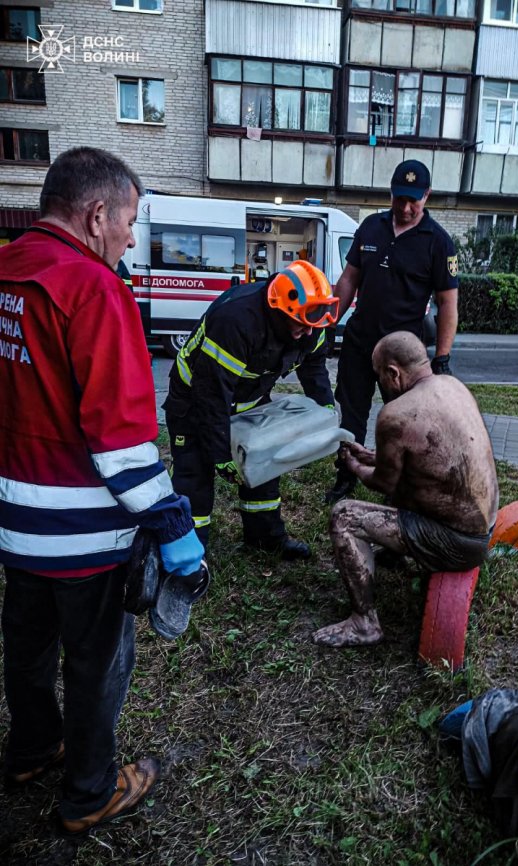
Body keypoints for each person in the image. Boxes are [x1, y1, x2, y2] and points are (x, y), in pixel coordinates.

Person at [0, 148, 204, 832]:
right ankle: (90, 792)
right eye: (129, 221)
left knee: (25, 647)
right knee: (96, 665)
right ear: (96, 214)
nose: (129, 238)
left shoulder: (5, 273)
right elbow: (121, 444)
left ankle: (31, 748)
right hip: (86, 538)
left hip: (13, 529)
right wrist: (175, 528)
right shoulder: (94, 290)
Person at [313, 332, 498, 648]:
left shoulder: (397, 414)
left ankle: (364, 623)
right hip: (484, 528)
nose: (381, 383)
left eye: (379, 375)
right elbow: (429, 460)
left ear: (392, 373)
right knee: (400, 493)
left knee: (344, 516)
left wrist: (354, 465)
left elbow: (385, 483)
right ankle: (397, 555)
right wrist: (373, 456)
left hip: (455, 543)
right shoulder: (452, 386)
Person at [163, 260, 339, 560]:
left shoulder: (313, 322)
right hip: (193, 402)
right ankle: (190, 554)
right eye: (301, 323)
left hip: (250, 399)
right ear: (278, 310)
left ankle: (265, 537)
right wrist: (221, 456)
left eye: (314, 322)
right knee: (195, 477)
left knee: (264, 467)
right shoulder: (236, 320)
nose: (308, 332)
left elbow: (315, 369)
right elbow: (212, 395)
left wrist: (326, 414)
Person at [326, 159, 459, 504]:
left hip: (403, 355)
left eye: (414, 199)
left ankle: (399, 486)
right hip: (360, 343)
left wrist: (442, 357)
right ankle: (346, 475)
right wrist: (329, 323)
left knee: (403, 424)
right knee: (351, 414)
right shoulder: (371, 228)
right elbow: (349, 280)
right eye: (400, 198)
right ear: (391, 193)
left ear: (427, 195)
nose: (406, 206)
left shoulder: (439, 243)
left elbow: (448, 305)